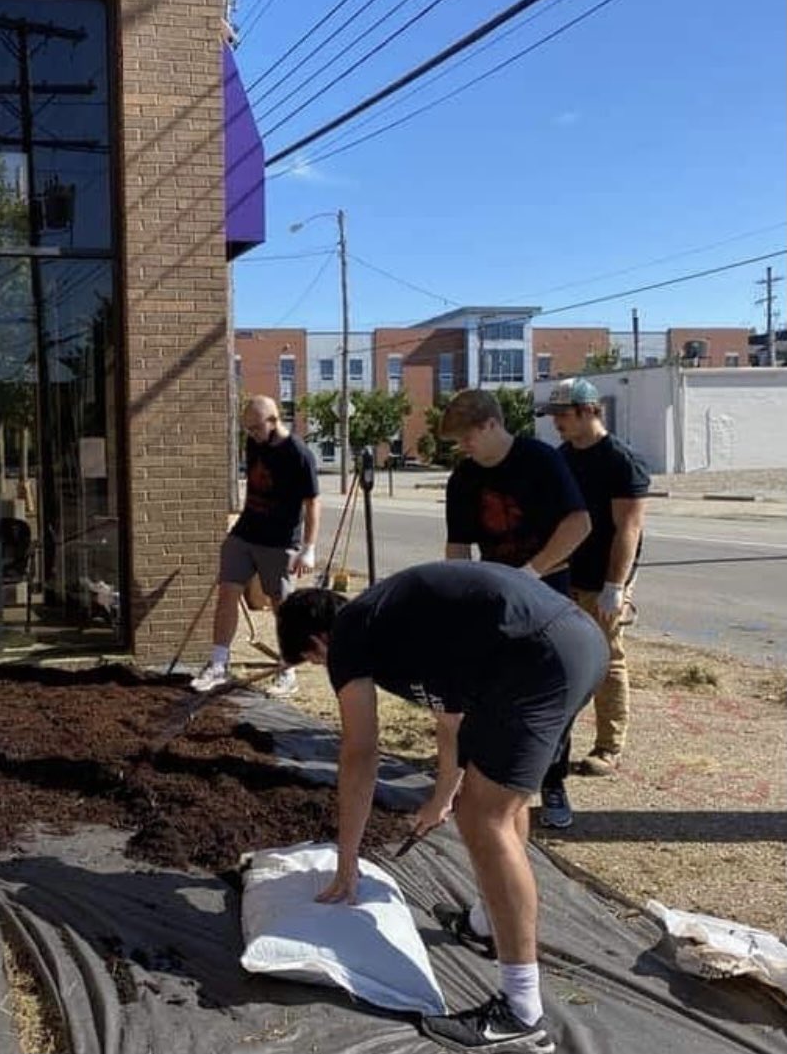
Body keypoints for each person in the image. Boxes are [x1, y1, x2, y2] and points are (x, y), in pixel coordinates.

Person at [276, 562, 608, 1054]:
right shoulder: (407, 628)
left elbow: (359, 752)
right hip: (574, 645)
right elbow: (453, 724)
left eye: (314, 662)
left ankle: (521, 1012)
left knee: (483, 815)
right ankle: (486, 923)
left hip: (537, 655)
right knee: (500, 798)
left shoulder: (351, 633)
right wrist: (439, 798)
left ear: (317, 642)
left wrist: (347, 862)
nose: (327, 670)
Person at [440, 388, 591, 830]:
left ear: (490, 425)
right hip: (496, 597)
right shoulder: (464, 479)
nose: (463, 447)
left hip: (549, 592)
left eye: (467, 438)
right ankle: (486, 779)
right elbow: (457, 544)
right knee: (491, 691)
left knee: (550, 693)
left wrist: (531, 571)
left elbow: (579, 523)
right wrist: (460, 596)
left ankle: (553, 781)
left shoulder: (540, 461)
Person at [541, 377, 651, 776]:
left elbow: (629, 529)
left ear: (589, 411)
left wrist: (614, 587)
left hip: (604, 577)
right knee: (558, 658)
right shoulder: (562, 457)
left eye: (563, 415)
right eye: (553, 416)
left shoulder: (621, 461)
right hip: (564, 573)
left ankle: (608, 746)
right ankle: (552, 740)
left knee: (607, 659)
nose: (557, 423)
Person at [190, 395, 319, 697]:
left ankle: (287, 672)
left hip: (280, 541)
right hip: (245, 533)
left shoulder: (298, 454)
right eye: (247, 429)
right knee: (227, 594)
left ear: (274, 421)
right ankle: (219, 664)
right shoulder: (255, 443)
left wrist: (309, 548)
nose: (252, 435)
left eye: (256, 428)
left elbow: (313, 502)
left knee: (282, 608)